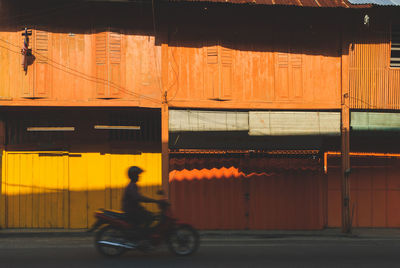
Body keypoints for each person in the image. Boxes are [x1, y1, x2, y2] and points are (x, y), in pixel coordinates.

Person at [122, 166, 160, 231]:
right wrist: (154, 200)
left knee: (151, 215)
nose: (139, 176)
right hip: (131, 211)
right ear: (133, 175)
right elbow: (138, 198)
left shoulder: (133, 185)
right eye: (137, 174)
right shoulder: (132, 186)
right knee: (149, 217)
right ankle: (142, 236)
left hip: (134, 209)